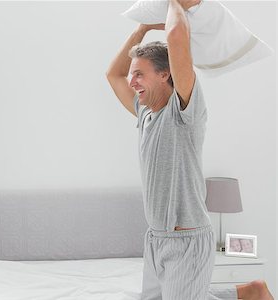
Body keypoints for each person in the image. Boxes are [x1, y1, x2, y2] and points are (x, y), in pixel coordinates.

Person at [106, 0, 273, 299]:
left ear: (165, 75)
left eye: (140, 74)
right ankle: (251, 292)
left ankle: (254, 293)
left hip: (187, 239)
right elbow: (113, 75)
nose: (132, 82)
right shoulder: (145, 115)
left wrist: (176, 3)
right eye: (134, 75)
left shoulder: (183, 112)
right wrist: (143, 28)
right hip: (156, 240)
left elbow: (176, 39)